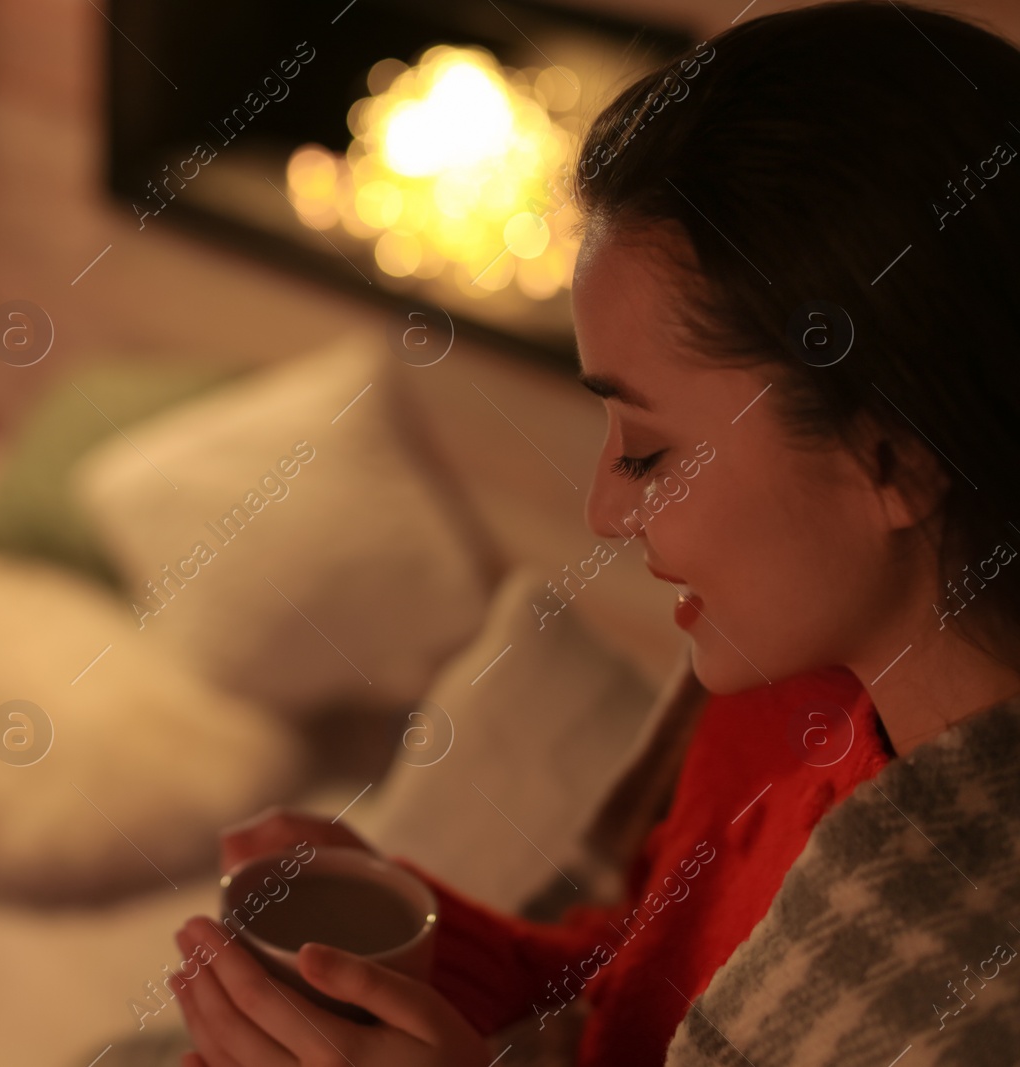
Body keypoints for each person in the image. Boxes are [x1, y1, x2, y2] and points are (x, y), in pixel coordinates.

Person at [164, 2, 1020, 1064]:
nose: (606, 508)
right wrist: (413, 948)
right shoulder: (793, 690)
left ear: (894, 457)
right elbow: (628, 997)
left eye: (649, 451)